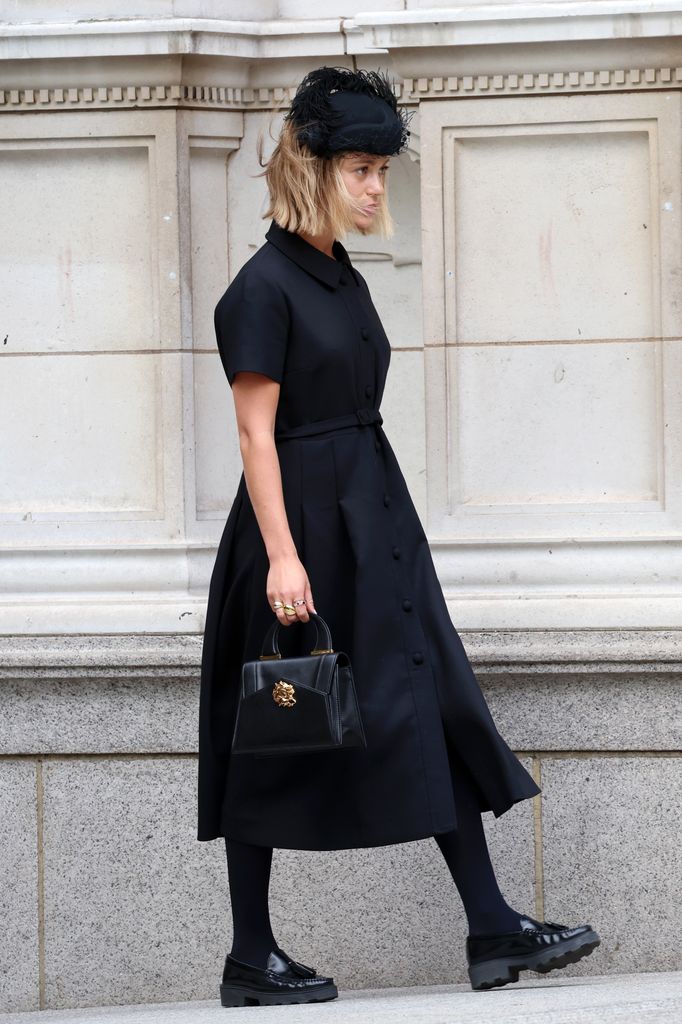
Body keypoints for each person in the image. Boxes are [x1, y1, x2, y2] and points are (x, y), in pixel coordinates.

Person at [198, 66, 600, 1008]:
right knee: (275, 723)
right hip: (299, 529)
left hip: (374, 518)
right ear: (314, 166)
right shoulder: (261, 287)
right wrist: (287, 556)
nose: (378, 187)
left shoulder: (339, 273)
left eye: (383, 169)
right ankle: (251, 955)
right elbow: (257, 432)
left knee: (430, 700)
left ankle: (493, 925)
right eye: (363, 168)